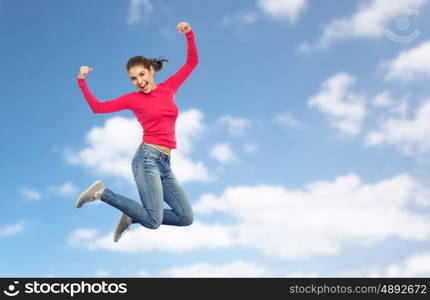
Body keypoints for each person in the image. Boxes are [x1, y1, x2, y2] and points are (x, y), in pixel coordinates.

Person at [75, 21, 198, 242]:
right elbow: (98, 107)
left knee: (185, 217)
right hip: (147, 159)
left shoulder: (169, 87)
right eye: (133, 78)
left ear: (151, 70)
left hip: (165, 163)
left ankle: (132, 214)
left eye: (142, 74)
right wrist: (82, 81)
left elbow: (192, 63)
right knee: (153, 221)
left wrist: (188, 34)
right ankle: (102, 192)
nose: (139, 81)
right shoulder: (132, 99)